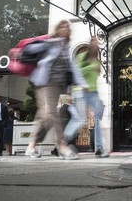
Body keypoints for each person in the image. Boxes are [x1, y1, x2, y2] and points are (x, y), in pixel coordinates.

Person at [26, 20, 89, 159]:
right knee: (52, 113)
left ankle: (32, 144)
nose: (65, 28)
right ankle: (61, 145)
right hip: (47, 83)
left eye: (67, 27)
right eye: (62, 26)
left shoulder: (67, 47)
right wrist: (47, 43)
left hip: (63, 87)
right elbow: (30, 49)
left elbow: (74, 69)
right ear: (57, 28)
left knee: (53, 115)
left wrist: (83, 84)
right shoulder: (50, 42)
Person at [76, 37, 109, 158]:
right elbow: (78, 72)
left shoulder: (97, 61)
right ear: (90, 44)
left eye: (97, 43)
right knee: (76, 119)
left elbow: (95, 79)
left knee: (97, 120)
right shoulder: (82, 57)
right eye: (93, 42)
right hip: (81, 92)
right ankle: (62, 145)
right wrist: (91, 68)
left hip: (93, 93)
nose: (95, 44)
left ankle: (99, 149)